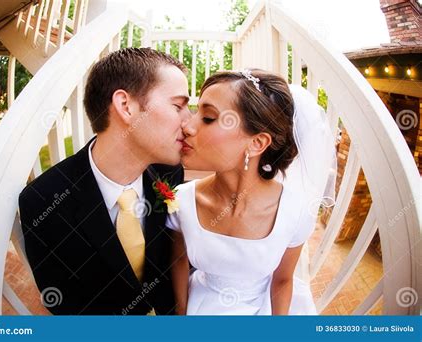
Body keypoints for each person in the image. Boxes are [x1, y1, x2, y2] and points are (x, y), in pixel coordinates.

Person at [19, 48, 191, 315]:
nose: (189, 123)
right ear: (126, 106)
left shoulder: (170, 174)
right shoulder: (44, 201)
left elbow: (175, 264)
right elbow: (66, 306)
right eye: (178, 106)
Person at [167, 69, 335, 315]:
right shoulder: (180, 200)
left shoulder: (294, 212)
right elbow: (178, 261)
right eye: (196, 111)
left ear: (257, 143)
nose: (188, 126)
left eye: (209, 117)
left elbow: (283, 280)